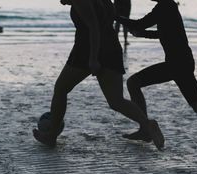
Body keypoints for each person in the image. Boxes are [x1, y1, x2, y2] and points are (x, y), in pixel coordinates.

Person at [116, 0, 197, 161]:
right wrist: (141, 33)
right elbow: (165, 33)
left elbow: (140, 24)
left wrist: (113, 16)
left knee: (133, 82)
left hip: (177, 64)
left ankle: (145, 130)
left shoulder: (165, 6)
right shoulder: (168, 7)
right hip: (181, 62)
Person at [33, 0, 164, 150]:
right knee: (116, 101)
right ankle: (147, 125)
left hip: (88, 49)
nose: (60, 1)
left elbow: (94, 28)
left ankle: (51, 135)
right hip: (112, 47)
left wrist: (94, 58)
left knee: (61, 89)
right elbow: (109, 20)